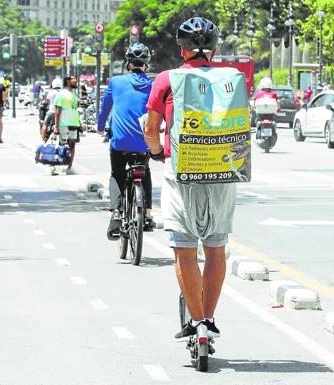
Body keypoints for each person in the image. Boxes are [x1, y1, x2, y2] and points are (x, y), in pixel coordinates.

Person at [144, 17, 235, 340]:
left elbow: (151, 130)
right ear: (215, 48)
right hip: (222, 172)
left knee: (184, 248)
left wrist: (156, 152)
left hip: (181, 170)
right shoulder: (231, 79)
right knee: (216, 246)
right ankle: (209, 318)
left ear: (181, 50)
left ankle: (196, 323)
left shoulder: (167, 80)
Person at [97, 43, 155, 238]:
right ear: (146, 65)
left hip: (120, 142)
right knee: (144, 171)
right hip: (144, 142)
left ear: (127, 64)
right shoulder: (153, 85)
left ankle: (116, 212)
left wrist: (99, 128)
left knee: (116, 174)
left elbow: (105, 109)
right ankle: (147, 214)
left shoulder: (116, 82)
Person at [53, 75, 82, 173]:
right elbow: (57, 111)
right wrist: (56, 127)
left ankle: (69, 168)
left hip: (74, 124)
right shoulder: (61, 94)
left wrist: (79, 123)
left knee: (72, 146)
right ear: (68, 81)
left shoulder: (74, 95)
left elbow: (75, 110)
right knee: (61, 146)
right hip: (63, 124)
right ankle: (56, 167)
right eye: (74, 79)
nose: (75, 81)